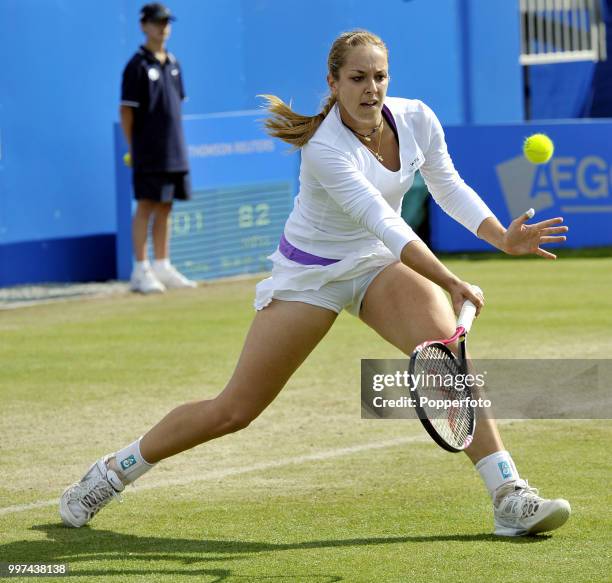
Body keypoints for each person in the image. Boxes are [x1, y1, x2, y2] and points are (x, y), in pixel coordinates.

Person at [60, 30, 571, 536]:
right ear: (333, 82)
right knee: (234, 410)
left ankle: (509, 494)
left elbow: (447, 184)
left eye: (379, 76)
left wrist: (501, 236)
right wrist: (451, 280)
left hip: (375, 265)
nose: (371, 89)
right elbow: (386, 223)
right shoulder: (324, 147)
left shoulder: (416, 118)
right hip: (311, 274)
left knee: (449, 361)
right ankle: (112, 472)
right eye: (357, 78)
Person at [120, 2, 196, 293]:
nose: (162, 28)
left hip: (173, 149)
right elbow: (126, 112)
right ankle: (140, 269)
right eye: (156, 22)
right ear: (143, 25)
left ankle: (162, 265)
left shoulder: (174, 63)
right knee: (146, 206)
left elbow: (176, 107)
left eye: (166, 22)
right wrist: (135, 148)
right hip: (147, 151)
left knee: (166, 206)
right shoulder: (136, 66)